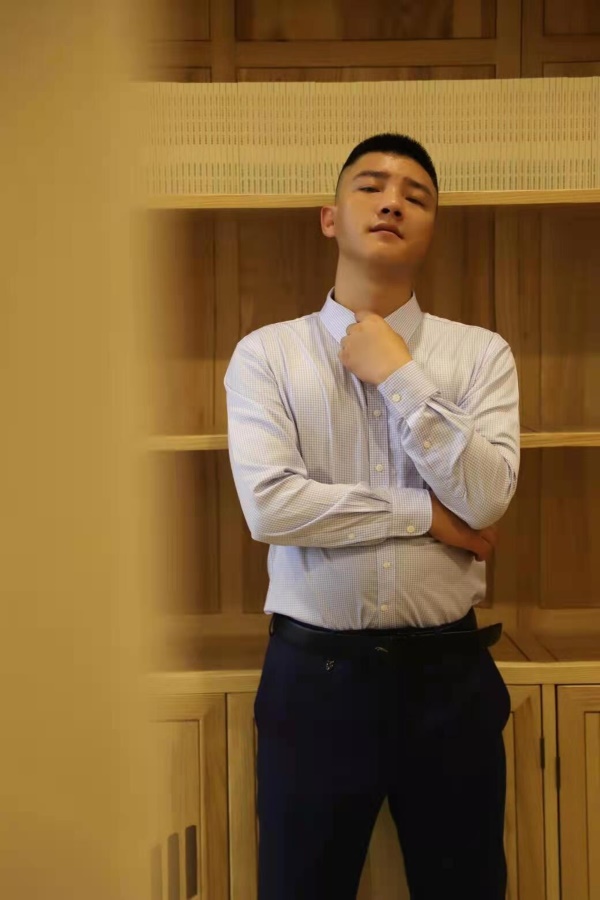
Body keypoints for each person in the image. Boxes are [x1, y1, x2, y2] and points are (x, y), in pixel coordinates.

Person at [224, 132, 520, 900]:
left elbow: (487, 498)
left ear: (430, 229)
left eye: (415, 196)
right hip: (313, 683)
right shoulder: (266, 355)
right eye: (371, 186)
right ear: (330, 218)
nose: (393, 202)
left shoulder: (480, 355)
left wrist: (399, 374)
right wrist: (424, 513)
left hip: (450, 679)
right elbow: (271, 505)